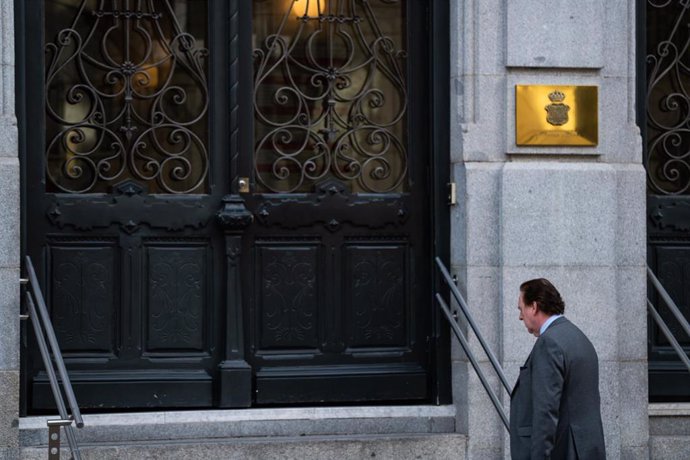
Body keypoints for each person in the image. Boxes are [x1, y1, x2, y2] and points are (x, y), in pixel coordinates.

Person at [510, 278, 606, 460]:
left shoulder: (549, 343)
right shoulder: (578, 337)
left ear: (534, 306)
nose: (520, 316)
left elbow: (545, 412)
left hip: (564, 451)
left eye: (521, 309)